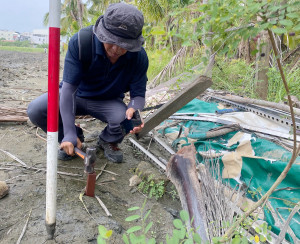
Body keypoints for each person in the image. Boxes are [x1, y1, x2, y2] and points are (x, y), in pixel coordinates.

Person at [27, 3, 148, 163]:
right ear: (102, 34)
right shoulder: (82, 42)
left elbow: (138, 95)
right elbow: (68, 90)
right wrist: (69, 131)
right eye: (111, 41)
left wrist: (134, 108)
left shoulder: (138, 57)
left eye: (123, 45)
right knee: (36, 110)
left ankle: (108, 140)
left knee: (125, 120)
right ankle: (71, 138)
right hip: (75, 95)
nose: (115, 49)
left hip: (108, 101)